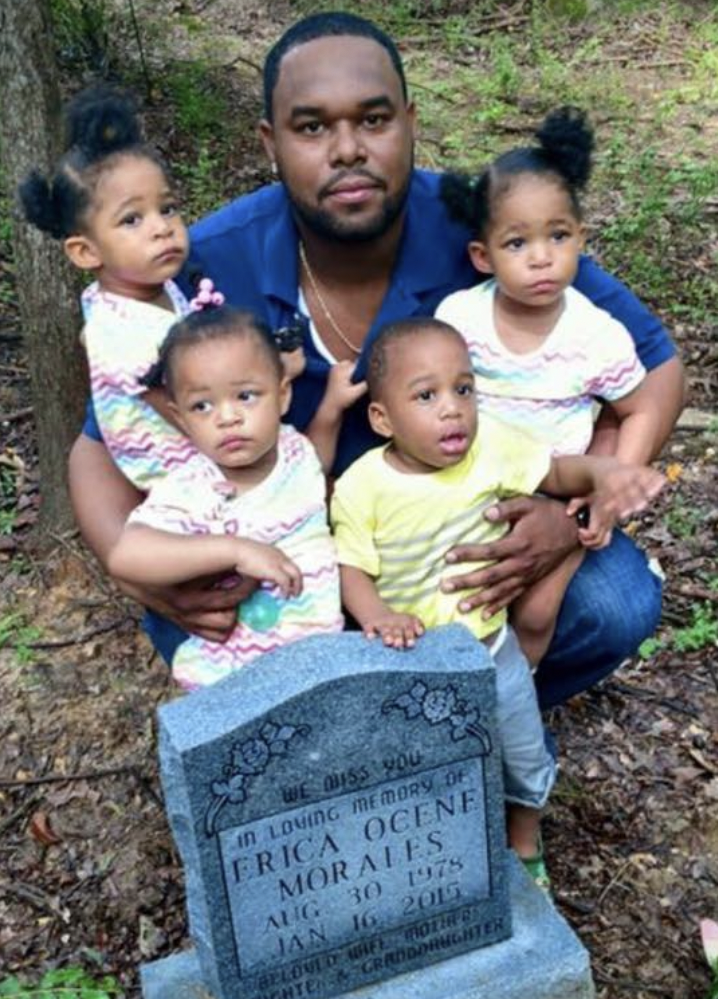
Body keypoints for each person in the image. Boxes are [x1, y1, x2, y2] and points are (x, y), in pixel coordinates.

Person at [67, 11, 685, 708]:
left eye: (374, 119)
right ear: (269, 141)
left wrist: (571, 516)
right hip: (274, 552)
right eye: (310, 127)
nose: (347, 150)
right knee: (201, 618)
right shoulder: (205, 266)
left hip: (449, 537)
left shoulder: (486, 227)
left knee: (616, 600)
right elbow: (97, 446)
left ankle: (468, 722)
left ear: (411, 121)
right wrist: (135, 569)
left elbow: (654, 367)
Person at [330, 318, 665, 879]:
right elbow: (351, 568)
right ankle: (433, 849)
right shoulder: (363, 486)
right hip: (412, 659)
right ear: (382, 418)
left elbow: (556, 471)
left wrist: (603, 471)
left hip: (492, 646)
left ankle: (525, 841)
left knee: (522, 748)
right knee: (425, 756)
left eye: (464, 390)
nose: (452, 409)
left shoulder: (491, 449)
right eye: (426, 395)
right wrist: (378, 617)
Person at [436, 107, 660, 665]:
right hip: (468, 487)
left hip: (554, 492)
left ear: (580, 238)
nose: (541, 258)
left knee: (536, 614)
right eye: (517, 244)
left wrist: (608, 491)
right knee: (454, 602)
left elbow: (636, 409)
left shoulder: (595, 335)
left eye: (557, 236)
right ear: (483, 257)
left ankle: (518, 704)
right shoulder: (461, 319)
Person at [107, 304, 343, 690]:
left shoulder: (293, 450)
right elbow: (127, 556)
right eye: (202, 406)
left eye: (246, 396)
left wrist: (332, 406)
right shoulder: (194, 487)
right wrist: (234, 551)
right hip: (231, 678)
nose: (227, 417)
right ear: (180, 419)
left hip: (317, 665)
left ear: (282, 396)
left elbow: (314, 468)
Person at [19, 84, 196, 490]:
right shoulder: (122, 335)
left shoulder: (142, 291)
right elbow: (190, 412)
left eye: (167, 208)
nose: (162, 228)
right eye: (132, 220)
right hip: (185, 485)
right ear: (85, 252)